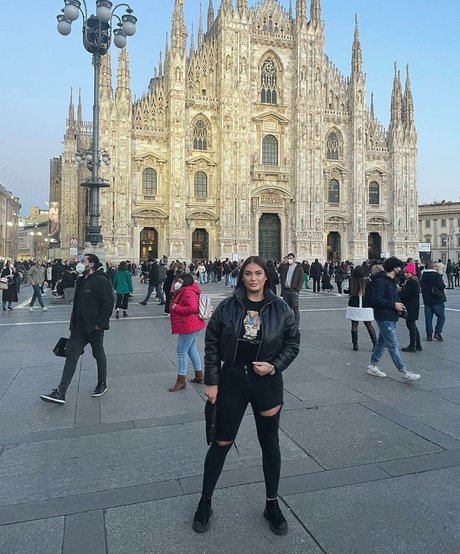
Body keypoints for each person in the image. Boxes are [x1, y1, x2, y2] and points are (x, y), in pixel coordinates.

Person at [192, 256, 300, 535]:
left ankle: (272, 503)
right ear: (242, 276)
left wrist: (275, 366)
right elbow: (212, 343)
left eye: (258, 273)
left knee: (270, 443)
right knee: (222, 441)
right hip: (233, 379)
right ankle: (205, 501)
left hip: (267, 382)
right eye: (248, 273)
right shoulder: (228, 307)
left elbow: (292, 342)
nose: (253, 278)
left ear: (266, 276)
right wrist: (212, 381)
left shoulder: (280, 308)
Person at [40, 254, 114, 404]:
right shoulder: (81, 280)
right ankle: (61, 392)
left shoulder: (101, 280)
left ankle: (102, 383)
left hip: (94, 326)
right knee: (71, 356)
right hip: (79, 327)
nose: (79, 263)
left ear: (91, 264)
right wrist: (73, 324)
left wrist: (100, 324)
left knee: (98, 353)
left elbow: (108, 302)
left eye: (83, 261)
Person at [366, 256, 420, 381]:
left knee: (382, 342)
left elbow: (393, 297)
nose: (401, 270)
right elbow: (376, 299)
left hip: (391, 315)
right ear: (395, 268)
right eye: (400, 267)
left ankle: (372, 366)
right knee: (393, 345)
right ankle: (404, 371)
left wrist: (399, 307)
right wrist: (394, 305)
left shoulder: (391, 281)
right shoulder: (381, 281)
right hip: (384, 316)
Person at [168, 272, 206, 391]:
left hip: (188, 326)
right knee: (191, 350)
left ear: (185, 281)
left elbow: (193, 308)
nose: (177, 283)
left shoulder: (187, 292)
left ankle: (181, 381)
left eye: (180, 281)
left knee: (181, 352)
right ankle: (199, 375)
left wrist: (176, 307)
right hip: (191, 325)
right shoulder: (188, 290)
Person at [346, 266, 377, 351]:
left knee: (354, 325)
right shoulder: (368, 282)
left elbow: (346, 290)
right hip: (366, 305)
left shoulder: (351, 280)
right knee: (368, 325)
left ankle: (355, 345)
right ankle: (375, 343)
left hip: (354, 304)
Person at [399, 261, 422, 352]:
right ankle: (418, 344)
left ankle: (412, 345)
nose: (405, 274)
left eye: (407, 272)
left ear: (411, 273)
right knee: (413, 325)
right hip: (413, 306)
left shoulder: (411, 282)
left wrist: (397, 293)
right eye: (404, 272)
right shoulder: (414, 281)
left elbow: (406, 294)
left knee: (411, 325)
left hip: (411, 307)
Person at [420, 261, 446, 341]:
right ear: (434, 267)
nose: (437, 268)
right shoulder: (436, 275)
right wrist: (444, 284)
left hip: (427, 300)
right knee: (441, 317)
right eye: (436, 266)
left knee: (428, 318)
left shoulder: (423, 276)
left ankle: (429, 334)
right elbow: (441, 286)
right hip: (437, 299)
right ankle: (437, 332)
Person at [278, 253, 304, 327]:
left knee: (295, 308)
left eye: (291, 258)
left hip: (293, 291)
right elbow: (279, 271)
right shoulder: (285, 267)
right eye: (288, 258)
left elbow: (301, 279)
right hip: (286, 290)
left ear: (294, 259)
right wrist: (283, 262)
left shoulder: (298, 268)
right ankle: (288, 324)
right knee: (287, 309)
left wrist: (297, 290)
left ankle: (296, 324)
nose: (289, 260)